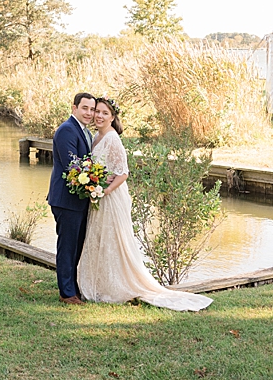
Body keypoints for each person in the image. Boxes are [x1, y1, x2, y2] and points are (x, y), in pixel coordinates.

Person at [77, 98, 213, 312]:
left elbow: (123, 173)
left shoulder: (113, 139)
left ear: (112, 117)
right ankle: (99, 283)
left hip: (111, 197)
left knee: (113, 239)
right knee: (99, 237)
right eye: (97, 112)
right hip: (100, 195)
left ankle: (116, 285)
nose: (99, 116)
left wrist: (105, 190)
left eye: (105, 113)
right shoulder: (96, 136)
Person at [47, 92, 97, 303]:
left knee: (76, 247)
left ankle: (72, 287)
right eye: (84, 108)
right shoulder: (67, 130)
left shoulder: (85, 131)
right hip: (66, 201)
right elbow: (73, 168)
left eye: (92, 109)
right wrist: (97, 184)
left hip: (78, 200)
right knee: (67, 247)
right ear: (74, 108)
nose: (89, 113)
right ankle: (66, 293)